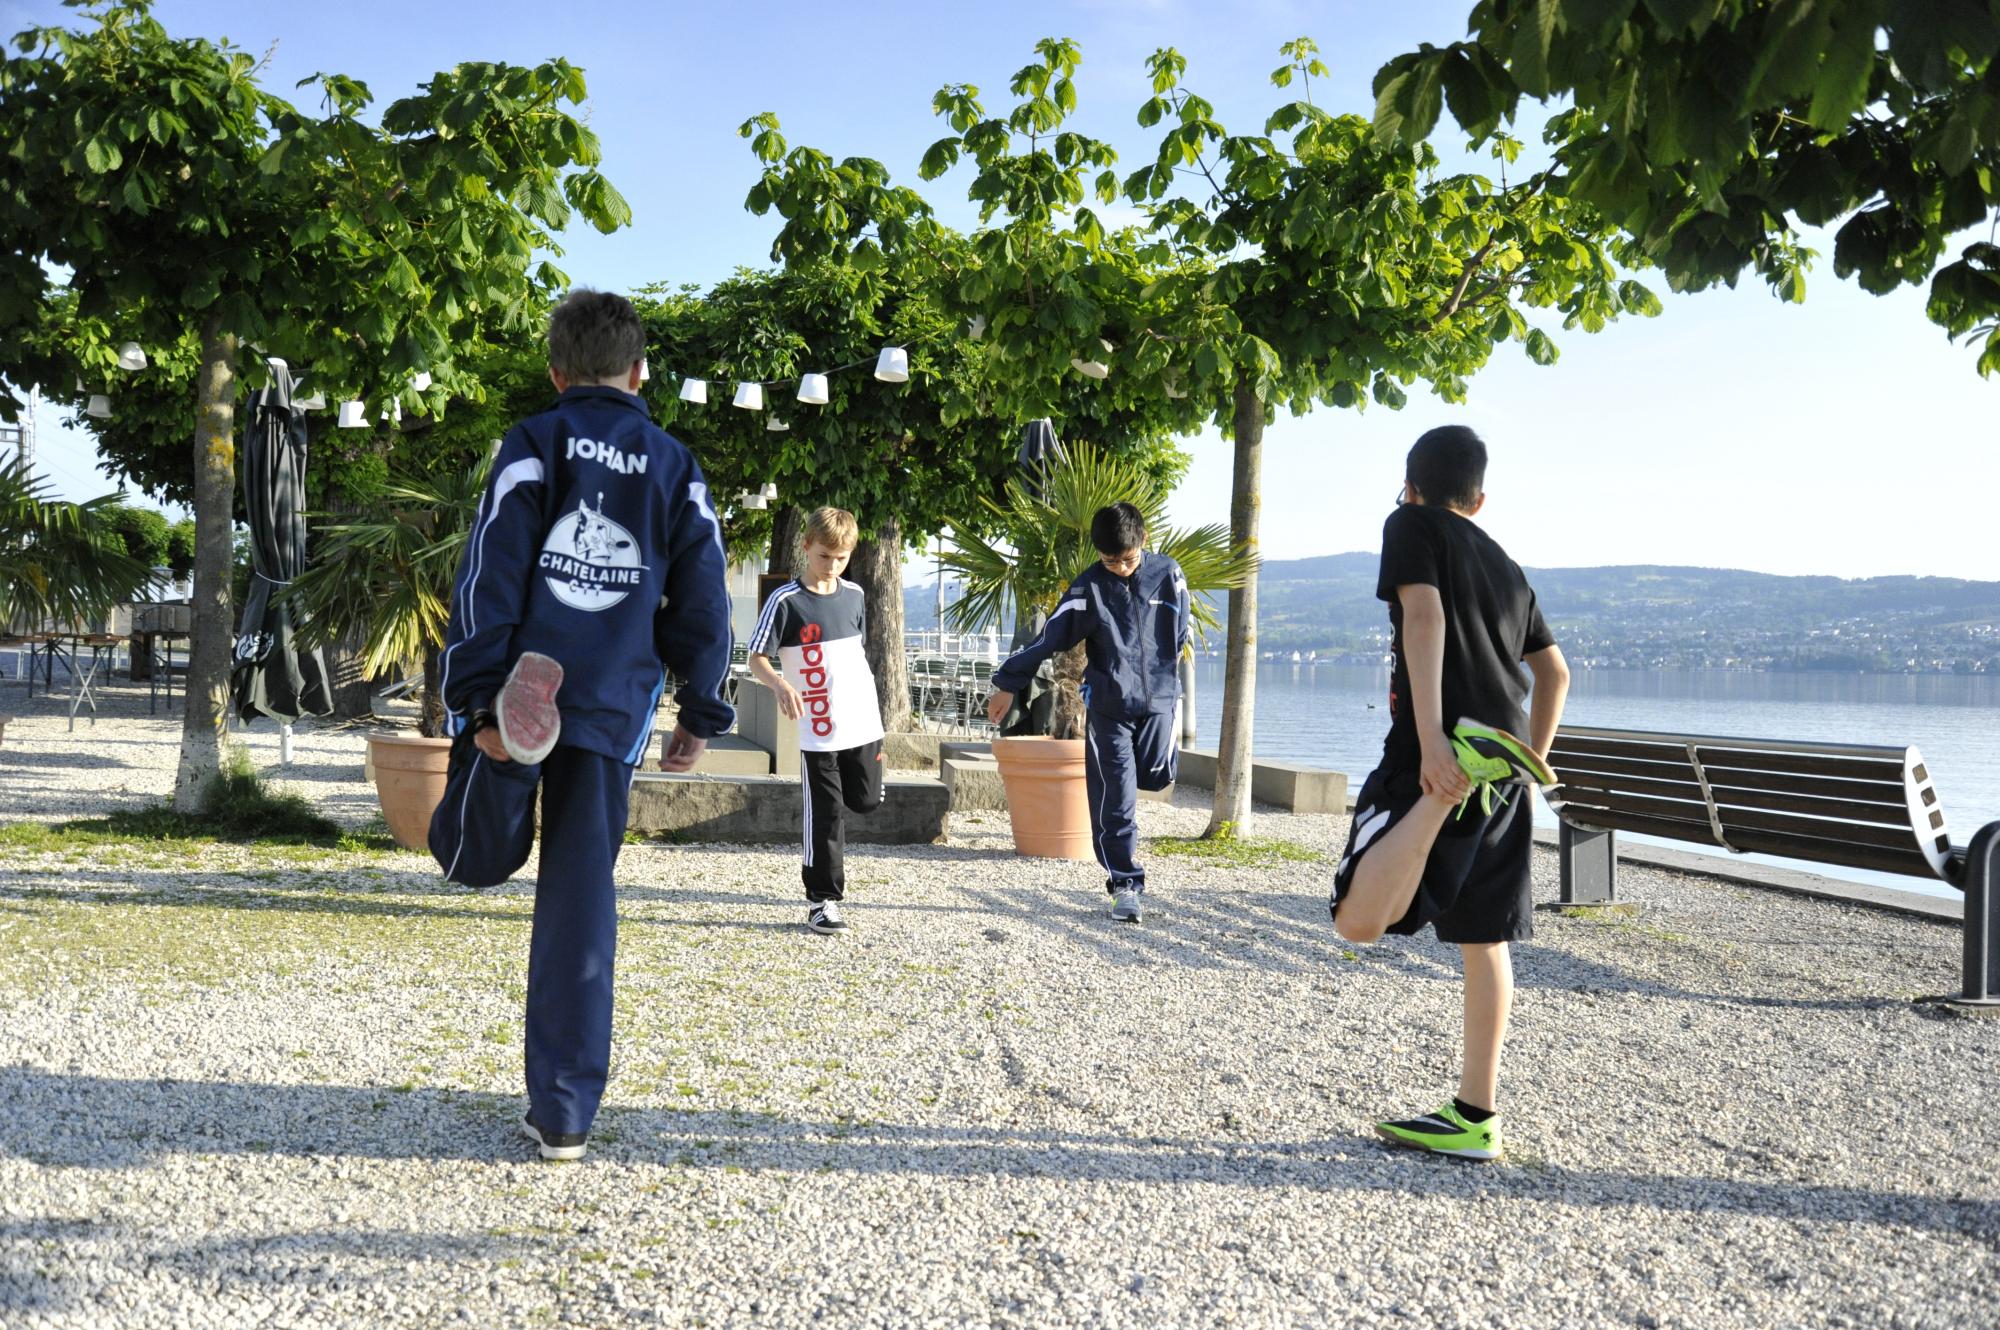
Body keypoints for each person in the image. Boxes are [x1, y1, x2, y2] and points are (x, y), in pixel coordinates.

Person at [427, 288, 735, 1161]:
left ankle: (505, 748)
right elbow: (704, 599)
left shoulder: (533, 443)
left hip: (526, 672)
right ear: (641, 373)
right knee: (579, 900)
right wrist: (701, 708)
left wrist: (477, 694)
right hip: (611, 700)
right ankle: (563, 1111)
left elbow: (491, 568)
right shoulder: (675, 465)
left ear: (556, 372)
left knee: (469, 851)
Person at [1330, 425, 1570, 1162]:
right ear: (1480, 499)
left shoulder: (1411, 523)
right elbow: (1556, 674)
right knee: (1483, 939)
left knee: (1356, 920)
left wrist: (1434, 742)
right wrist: (1532, 760)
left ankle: (1445, 787)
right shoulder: (1509, 569)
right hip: (1505, 764)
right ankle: (1476, 1116)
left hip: (1441, 748)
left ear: (1412, 487)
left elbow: (1425, 615)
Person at [985, 502, 1190, 923]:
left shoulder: (1169, 575)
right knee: (1116, 797)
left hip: (1161, 701)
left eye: (1127, 559)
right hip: (1109, 707)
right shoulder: (1089, 588)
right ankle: (1125, 885)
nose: (1120, 568)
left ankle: (1144, 786)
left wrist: (1168, 683)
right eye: (1110, 561)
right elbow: (1048, 639)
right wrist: (1007, 683)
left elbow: (1180, 630)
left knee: (1156, 776)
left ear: (1143, 540)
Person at [745, 506, 887, 934]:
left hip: (863, 720)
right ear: (806, 546)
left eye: (841, 557)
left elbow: (856, 652)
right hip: (819, 728)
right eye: (824, 556)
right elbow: (756, 657)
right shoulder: (785, 601)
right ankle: (822, 902)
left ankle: (866, 786)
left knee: (866, 801)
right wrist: (780, 685)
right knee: (825, 813)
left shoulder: (855, 595)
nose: (832, 565)